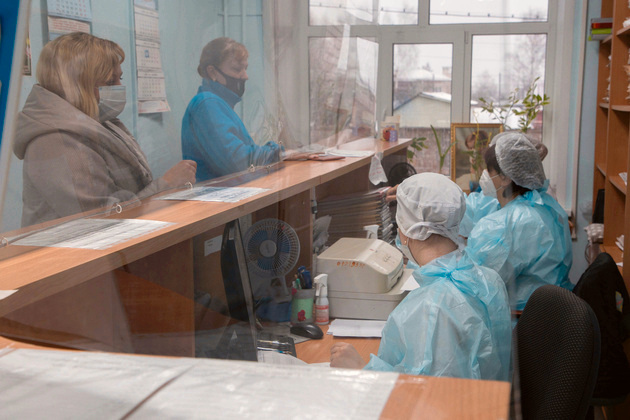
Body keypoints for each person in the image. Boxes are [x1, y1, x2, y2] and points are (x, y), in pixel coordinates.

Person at [330, 173, 511, 381]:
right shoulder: (490, 280)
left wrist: (363, 370)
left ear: (406, 232)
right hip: (489, 398)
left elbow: (425, 392)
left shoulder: (431, 308)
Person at [13, 32, 196, 227]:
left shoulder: (100, 122)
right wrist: (167, 185)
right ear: (77, 84)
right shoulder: (55, 139)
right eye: (109, 82)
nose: (120, 87)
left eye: (119, 78)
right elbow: (100, 221)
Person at [466, 132, 572, 312]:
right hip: (552, 313)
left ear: (506, 177)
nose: (485, 176)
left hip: (520, 320)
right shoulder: (547, 206)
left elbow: (476, 287)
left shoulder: (505, 225)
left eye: (489, 171)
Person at [181, 37, 282, 181]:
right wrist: (278, 152)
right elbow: (238, 162)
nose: (245, 76)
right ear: (212, 72)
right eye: (237, 69)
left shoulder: (219, 104)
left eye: (245, 69)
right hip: (217, 193)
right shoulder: (206, 104)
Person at [459, 133, 549, 238]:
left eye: (489, 169)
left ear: (505, 176)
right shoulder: (537, 208)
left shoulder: (515, 220)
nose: (486, 173)